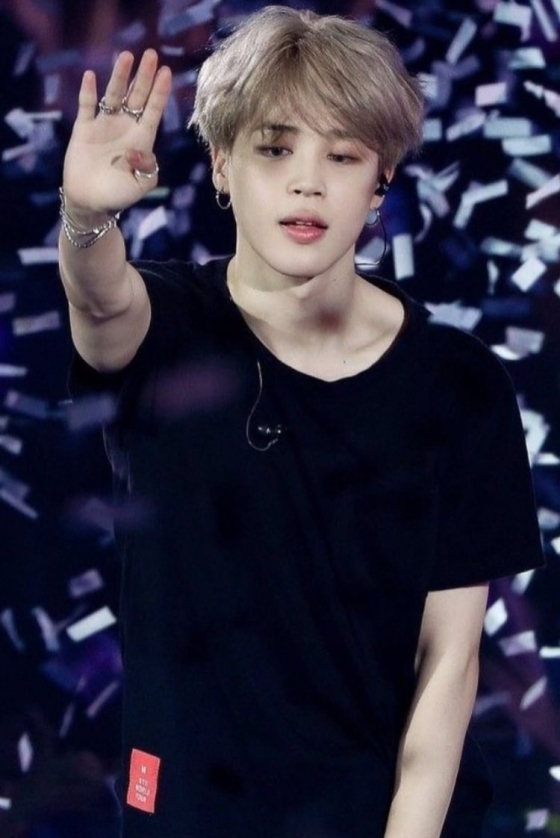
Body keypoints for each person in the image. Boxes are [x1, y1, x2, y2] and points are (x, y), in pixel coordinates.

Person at [57, 6, 544, 837]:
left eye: (342, 155)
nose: (307, 182)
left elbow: (450, 659)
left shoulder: (458, 384)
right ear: (222, 163)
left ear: (380, 179)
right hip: (190, 813)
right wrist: (84, 215)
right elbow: (101, 302)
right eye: (275, 149)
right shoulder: (164, 329)